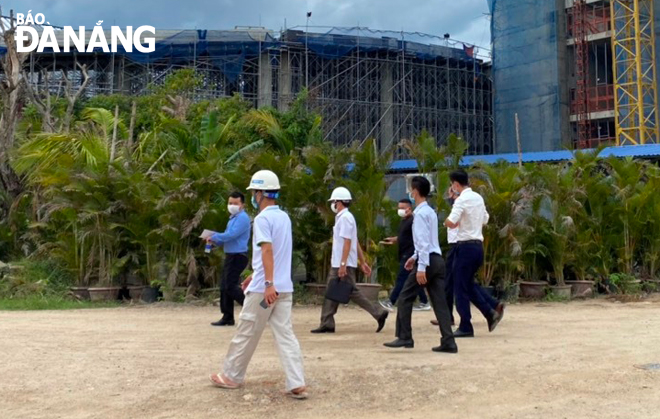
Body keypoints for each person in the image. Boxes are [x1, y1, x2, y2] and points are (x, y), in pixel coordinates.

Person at [210, 170, 307, 400]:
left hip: (266, 292)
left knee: (247, 330)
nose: (253, 195)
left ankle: (232, 375)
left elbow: (267, 250)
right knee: (285, 334)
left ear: (261, 193)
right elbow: (278, 253)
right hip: (283, 289)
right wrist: (256, 274)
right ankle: (297, 381)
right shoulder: (284, 217)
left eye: (254, 191)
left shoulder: (263, 219)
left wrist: (266, 283)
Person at [383, 176, 457, 353]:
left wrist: (421, 266)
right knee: (439, 303)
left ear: (415, 192)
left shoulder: (420, 214)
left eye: (411, 189)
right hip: (436, 259)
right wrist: (415, 257)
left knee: (405, 297)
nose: (410, 192)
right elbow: (429, 240)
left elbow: (423, 241)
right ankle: (449, 341)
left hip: (428, 261)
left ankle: (404, 336)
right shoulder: (429, 211)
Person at [311, 187, 389, 334]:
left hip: (342, 264)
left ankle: (377, 313)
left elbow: (348, 242)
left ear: (339, 202)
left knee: (342, 291)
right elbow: (355, 242)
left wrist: (342, 264)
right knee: (337, 291)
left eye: (334, 201)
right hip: (342, 262)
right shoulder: (344, 217)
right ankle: (327, 322)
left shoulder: (345, 218)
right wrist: (362, 261)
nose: (333, 204)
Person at [431, 187, 503, 328]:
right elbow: (485, 219)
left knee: (458, 286)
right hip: (471, 246)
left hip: (461, 245)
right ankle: (491, 309)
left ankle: (464, 323)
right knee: (466, 284)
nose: (450, 195)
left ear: (456, 187)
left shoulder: (461, 202)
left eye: (451, 190)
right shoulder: (476, 199)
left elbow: (451, 222)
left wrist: (448, 221)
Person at [379, 199, 431, 312]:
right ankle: (424, 301)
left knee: (401, 278)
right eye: (399, 208)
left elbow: (418, 236)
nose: (400, 210)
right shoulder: (404, 221)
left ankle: (391, 301)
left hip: (410, 254)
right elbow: (404, 236)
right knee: (412, 279)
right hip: (404, 253)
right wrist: (394, 240)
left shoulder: (414, 220)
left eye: (402, 208)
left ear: (409, 208)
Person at [208, 192, 251, 327]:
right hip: (231, 255)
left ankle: (252, 309)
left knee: (230, 286)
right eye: (230, 203)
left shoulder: (243, 218)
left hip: (238, 256)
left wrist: (214, 236)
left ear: (242, 205)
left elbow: (231, 235)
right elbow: (227, 238)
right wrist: (213, 241)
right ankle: (227, 316)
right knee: (224, 286)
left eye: (235, 203)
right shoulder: (232, 218)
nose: (232, 206)